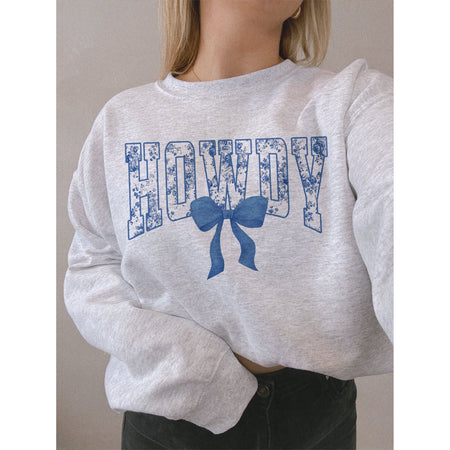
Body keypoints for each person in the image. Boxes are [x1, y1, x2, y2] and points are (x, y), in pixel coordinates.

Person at [63, 0, 393, 448]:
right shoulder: (122, 121)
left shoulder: (355, 101)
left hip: (317, 415)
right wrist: (192, 365)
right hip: (170, 411)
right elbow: (92, 265)